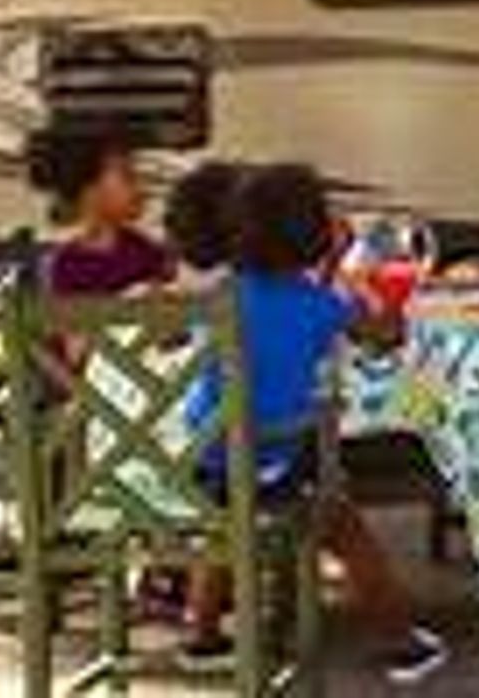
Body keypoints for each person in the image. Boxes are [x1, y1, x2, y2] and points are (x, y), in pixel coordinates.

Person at [180, 163, 447, 687]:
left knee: (226, 517)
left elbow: (271, 320)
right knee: (345, 527)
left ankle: (201, 634)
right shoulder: (321, 304)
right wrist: (360, 289)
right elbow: (385, 334)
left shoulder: (219, 296)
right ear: (312, 236)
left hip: (208, 460)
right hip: (279, 462)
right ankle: (399, 637)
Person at [26, 128, 173, 297]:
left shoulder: (149, 252)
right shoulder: (64, 266)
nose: (140, 189)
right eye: (128, 177)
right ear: (91, 191)